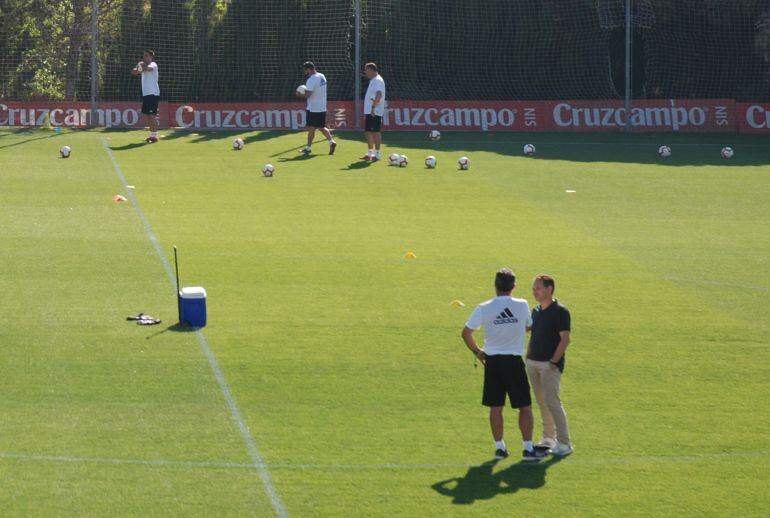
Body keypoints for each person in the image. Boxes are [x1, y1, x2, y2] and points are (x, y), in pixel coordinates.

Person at [462, 268, 544, 462]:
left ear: (495, 286)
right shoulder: (522, 304)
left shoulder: (484, 307)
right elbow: (529, 326)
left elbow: (466, 333)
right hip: (513, 362)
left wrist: (478, 352)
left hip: (492, 362)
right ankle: (527, 448)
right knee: (524, 406)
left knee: (496, 407)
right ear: (513, 287)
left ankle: (500, 448)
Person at [525, 274, 573, 456]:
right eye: (533, 288)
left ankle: (564, 443)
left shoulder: (560, 311)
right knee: (542, 402)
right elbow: (531, 331)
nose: (534, 291)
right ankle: (548, 438)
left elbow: (565, 339)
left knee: (553, 402)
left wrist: (554, 361)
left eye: (537, 288)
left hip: (549, 365)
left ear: (549, 289)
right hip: (533, 362)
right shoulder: (535, 311)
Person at [295, 61, 337, 155]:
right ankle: (331, 142)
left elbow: (308, 95)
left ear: (308, 69)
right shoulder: (322, 76)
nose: (304, 71)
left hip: (313, 108)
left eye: (305, 70)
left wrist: (299, 94)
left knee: (311, 128)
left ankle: (308, 148)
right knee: (322, 127)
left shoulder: (311, 79)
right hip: (322, 107)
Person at [131, 50, 160, 143]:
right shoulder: (143, 65)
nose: (144, 57)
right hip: (146, 94)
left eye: (146, 56)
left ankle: (155, 136)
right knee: (148, 115)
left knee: (151, 115)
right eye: (144, 56)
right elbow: (133, 72)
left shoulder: (153, 64)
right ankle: (152, 135)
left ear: (151, 57)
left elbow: (148, 69)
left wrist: (141, 66)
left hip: (153, 93)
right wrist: (138, 67)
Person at [361, 62, 385, 161]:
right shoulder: (373, 80)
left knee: (375, 132)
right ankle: (370, 153)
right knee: (368, 132)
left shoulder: (378, 80)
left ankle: (378, 154)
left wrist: (373, 108)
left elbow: (379, 95)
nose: (365, 72)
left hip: (374, 111)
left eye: (366, 70)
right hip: (370, 111)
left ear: (371, 70)